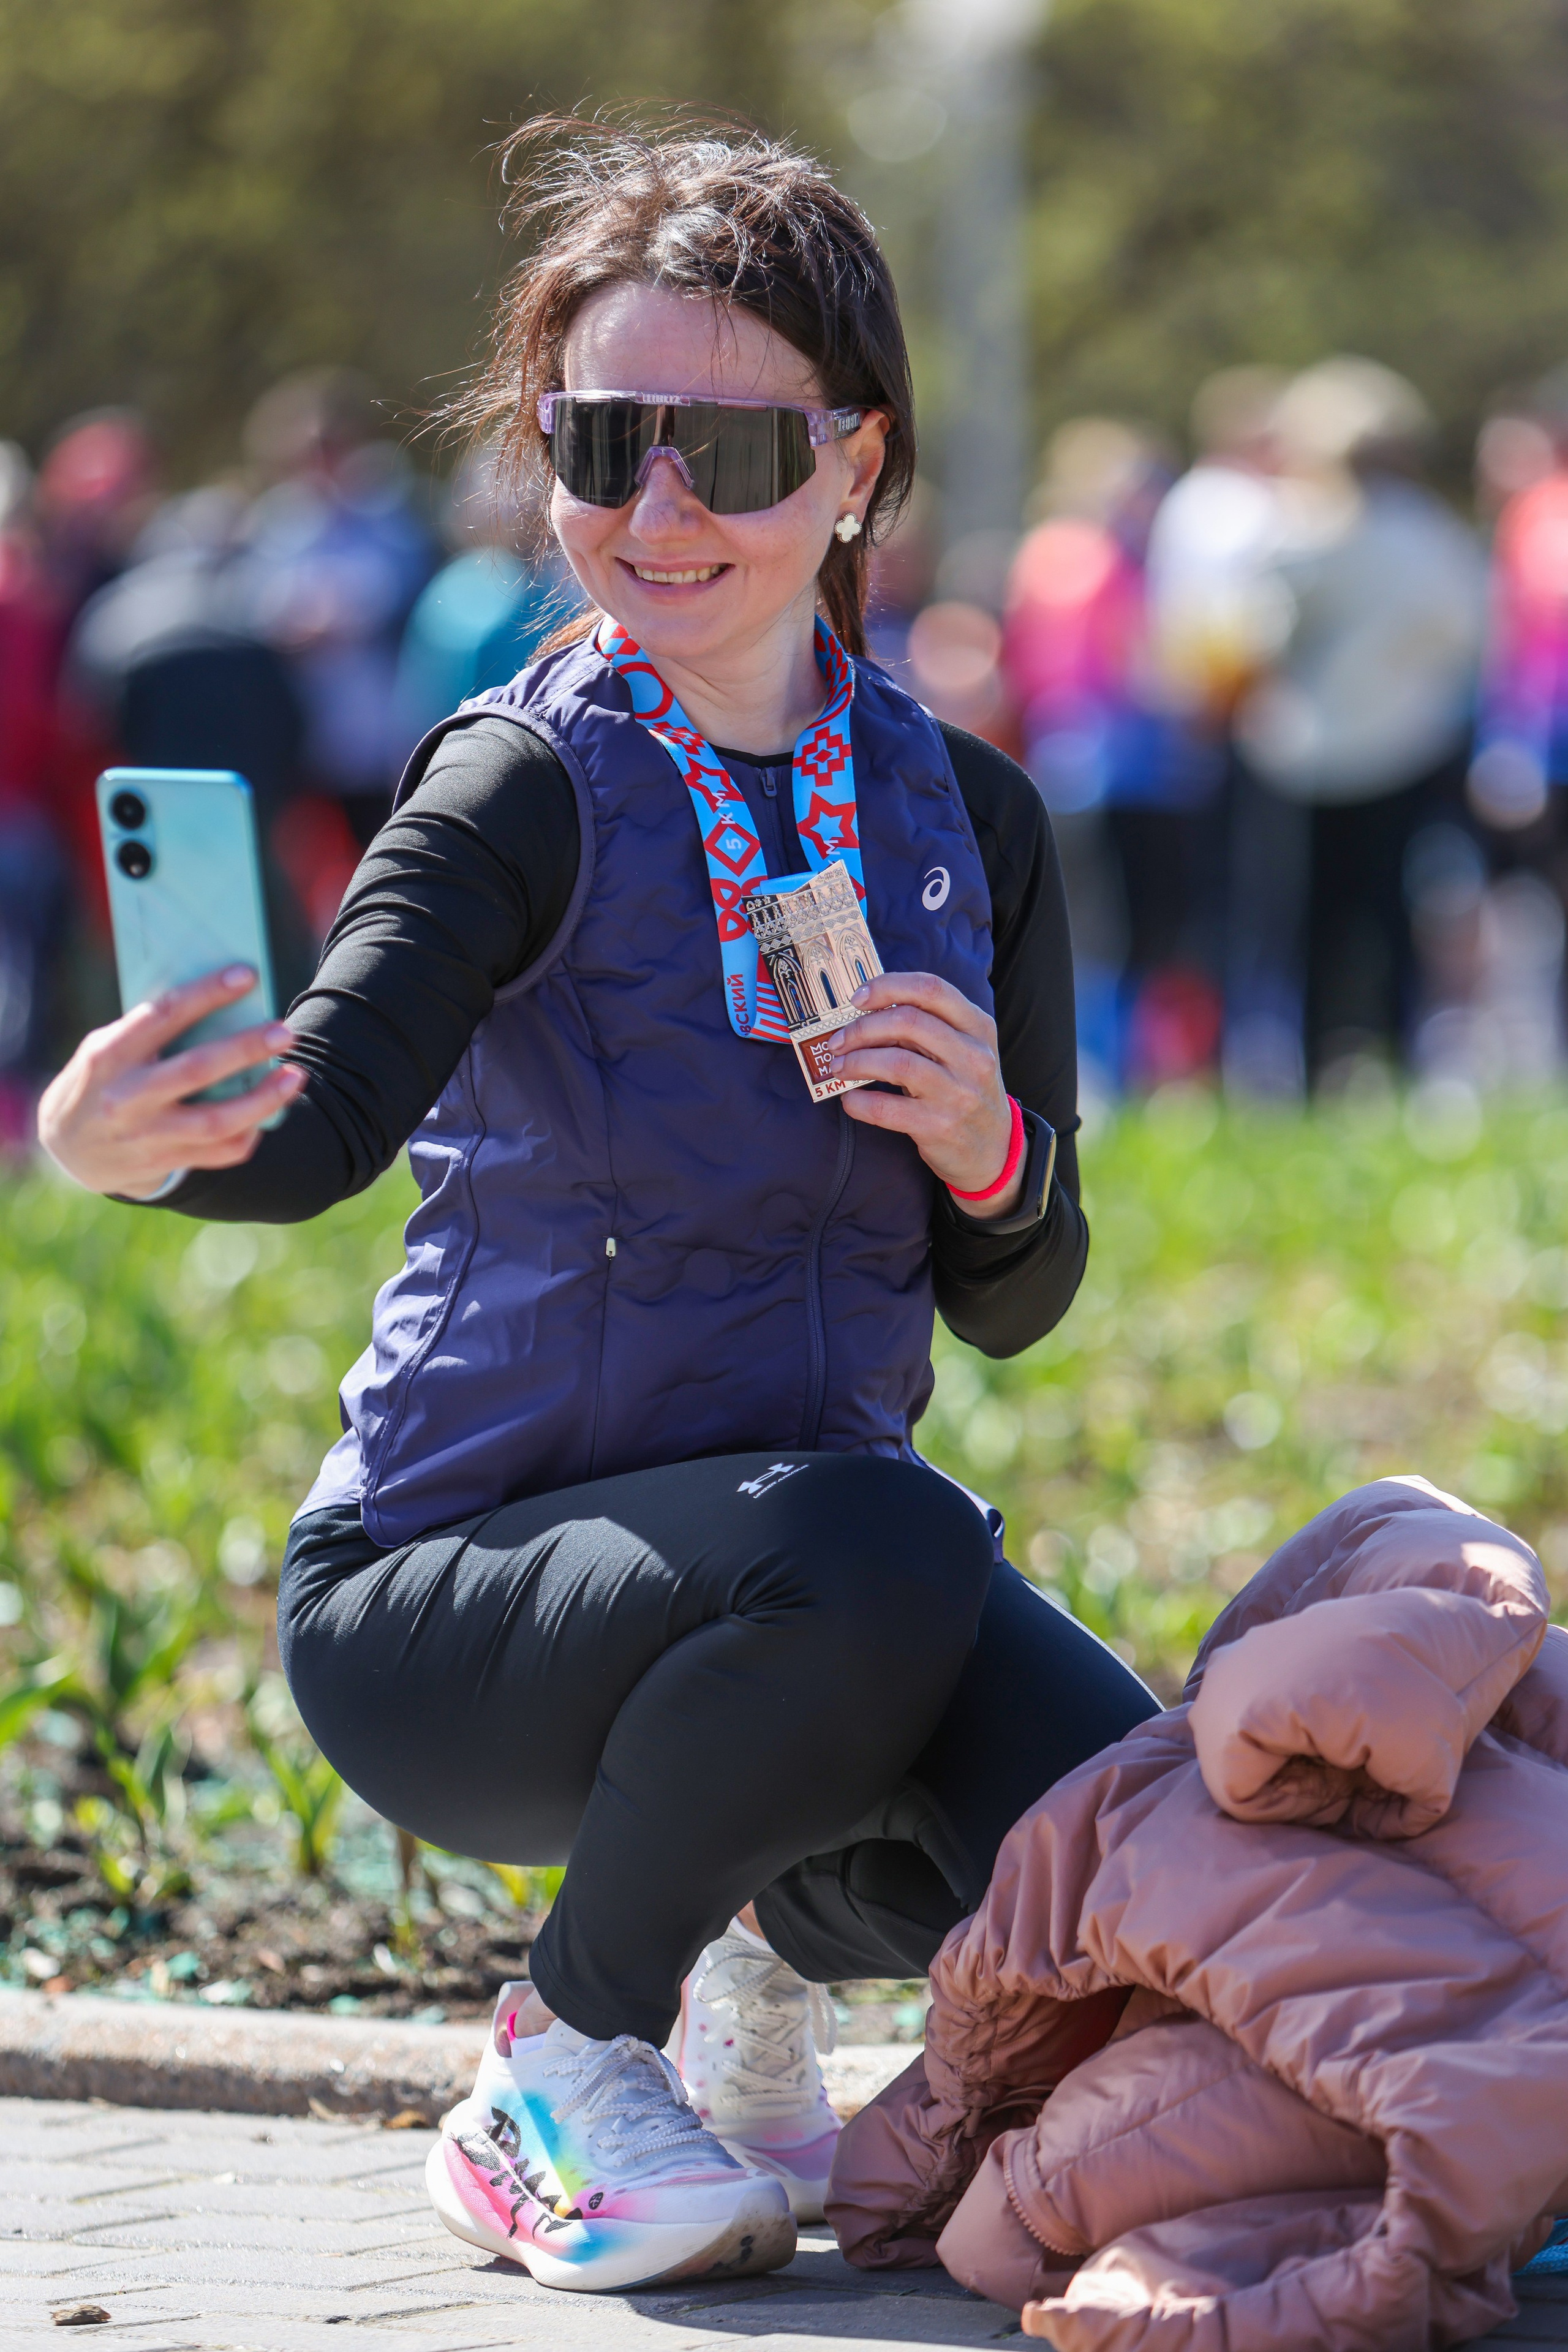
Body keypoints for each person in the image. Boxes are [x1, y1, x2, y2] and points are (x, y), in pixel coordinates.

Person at [38, 117, 1155, 2295]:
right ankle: (557, 2061)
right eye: (601, 440)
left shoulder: (971, 821)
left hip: (805, 1608)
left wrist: (984, 1152)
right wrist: (134, 1140)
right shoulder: (519, 777)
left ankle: (752, 1971)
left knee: (1135, 1845)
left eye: (724, 455)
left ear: (854, 465)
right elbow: (323, 1116)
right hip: (455, 1605)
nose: (652, 513)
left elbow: (1023, 1297)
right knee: (885, 1544)